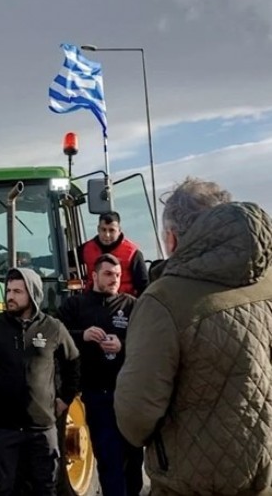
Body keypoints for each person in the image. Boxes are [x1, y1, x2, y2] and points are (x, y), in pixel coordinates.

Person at [115, 177, 272, 494]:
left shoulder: (165, 300)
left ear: (172, 239)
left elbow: (135, 414)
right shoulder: (266, 282)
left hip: (191, 482)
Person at [0, 267, 80, 495]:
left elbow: (73, 362)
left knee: (45, 489)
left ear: (33, 293)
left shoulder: (52, 328)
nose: (10, 297)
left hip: (43, 429)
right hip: (4, 429)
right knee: (3, 489)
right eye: (8, 290)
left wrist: (65, 398)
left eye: (18, 291)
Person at [57, 254, 142, 496]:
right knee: (109, 457)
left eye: (117, 275)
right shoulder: (75, 306)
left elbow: (148, 342)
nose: (114, 279)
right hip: (95, 394)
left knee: (134, 458)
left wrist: (123, 345)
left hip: (127, 394)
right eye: (108, 274)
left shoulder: (131, 305)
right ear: (93, 276)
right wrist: (81, 335)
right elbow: (52, 336)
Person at [78, 212, 148, 296]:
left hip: (123, 303)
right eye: (103, 230)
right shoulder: (86, 249)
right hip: (92, 302)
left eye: (111, 230)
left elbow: (143, 285)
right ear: (98, 229)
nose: (107, 235)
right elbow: (62, 260)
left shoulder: (133, 253)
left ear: (119, 230)